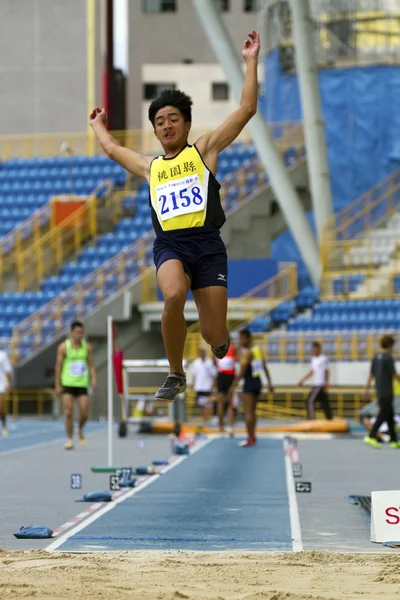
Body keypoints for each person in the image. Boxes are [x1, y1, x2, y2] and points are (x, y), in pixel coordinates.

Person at [89, 30, 260, 402]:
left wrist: (250, 61)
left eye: (173, 119)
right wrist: (97, 124)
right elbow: (114, 150)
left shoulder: (204, 150)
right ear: (154, 130)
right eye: (160, 121)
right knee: (173, 293)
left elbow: (246, 109)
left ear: (185, 124)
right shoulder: (151, 168)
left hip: (208, 245)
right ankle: (176, 373)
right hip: (171, 245)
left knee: (215, 335)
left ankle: (219, 339)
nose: (166, 125)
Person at [55, 321, 97, 450]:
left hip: (82, 383)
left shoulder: (87, 347)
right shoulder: (64, 347)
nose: (79, 335)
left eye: (81, 332)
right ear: (72, 332)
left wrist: (94, 378)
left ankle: (79, 429)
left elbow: (91, 364)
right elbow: (58, 366)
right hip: (68, 383)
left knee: (84, 413)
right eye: (77, 332)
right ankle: (69, 439)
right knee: (68, 412)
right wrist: (58, 384)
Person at [230, 328, 274, 447]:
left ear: (247, 338)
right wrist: (270, 383)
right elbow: (265, 367)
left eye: (241, 338)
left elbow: (242, 371)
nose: (239, 341)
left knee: (248, 412)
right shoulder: (257, 350)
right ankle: (253, 436)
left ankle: (250, 437)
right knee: (253, 412)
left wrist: (234, 384)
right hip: (258, 382)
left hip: (249, 383)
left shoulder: (248, 353)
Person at [363, 334, 400, 449]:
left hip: (379, 390)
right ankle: (371, 436)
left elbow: (371, 375)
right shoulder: (388, 358)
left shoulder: (376, 357)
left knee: (389, 414)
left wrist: (366, 389)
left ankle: (394, 440)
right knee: (383, 414)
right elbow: (394, 375)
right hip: (388, 391)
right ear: (390, 345)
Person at [298, 341, 332, 420]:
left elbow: (326, 371)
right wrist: (302, 381)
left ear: (319, 349)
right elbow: (312, 372)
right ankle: (329, 418)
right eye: (313, 349)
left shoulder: (323, 358)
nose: (313, 351)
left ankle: (311, 419)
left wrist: (326, 383)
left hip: (320, 384)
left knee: (310, 401)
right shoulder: (313, 359)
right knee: (324, 403)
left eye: (315, 349)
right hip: (316, 383)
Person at [189, 347, 216, 428]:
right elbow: (194, 374)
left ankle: (206, 419)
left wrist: (213, 385)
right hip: (199, 386)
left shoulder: (209, 362)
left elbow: (213, 375)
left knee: (207, 404)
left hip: (207, 386)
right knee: (201, 404)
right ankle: (202, 418)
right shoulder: (196, 362)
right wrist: (193, 384)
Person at [215, 341, 237, 435]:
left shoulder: (216, 346)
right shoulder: (233, 347)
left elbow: (214, 362)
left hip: (221, 375)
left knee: (220, 403)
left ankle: (221, 427)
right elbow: (237, 360)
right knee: (230, 403)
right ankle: (230, 427)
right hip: (230, 375)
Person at [0, 349, 13, 437]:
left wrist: (9, 384)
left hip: (1, 384)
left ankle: (4, 425)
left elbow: (8, 371)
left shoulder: (2, 355)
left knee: (1, 407)